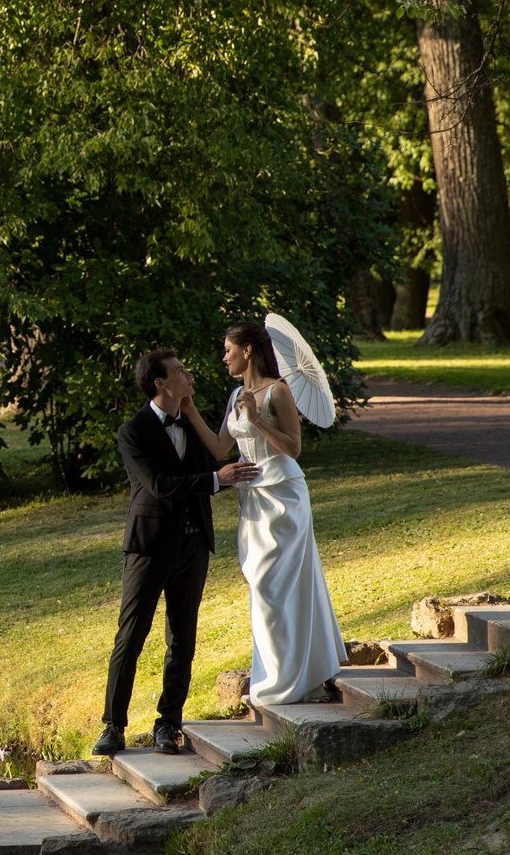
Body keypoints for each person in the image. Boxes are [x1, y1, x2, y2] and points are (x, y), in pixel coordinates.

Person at [98, 349, 260, 757]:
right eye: (180, 371)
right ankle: (113, 727)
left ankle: (168, 724)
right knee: (130, 637)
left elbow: (216, 465)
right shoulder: (132, 431)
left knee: (182, 640)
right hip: (150, 548)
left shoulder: (190, 418)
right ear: (160, 383)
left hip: (193, 546)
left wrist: (237, 471)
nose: (189, 375)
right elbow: (160, 484)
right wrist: (214, 479)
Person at [177, 319, 347, 706]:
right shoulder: (236, 393)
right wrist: (189, 410)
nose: (224, 357)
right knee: (261, 586)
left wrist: (256, 420)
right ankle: (285, 673)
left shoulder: (278, 392)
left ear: (247, 350)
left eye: (228, 350)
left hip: (283, 498)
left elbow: (293, 448)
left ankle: (290, 680)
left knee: (277, 587)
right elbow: (220, 448)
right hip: (251, 501)